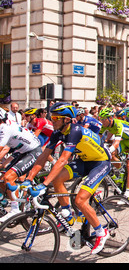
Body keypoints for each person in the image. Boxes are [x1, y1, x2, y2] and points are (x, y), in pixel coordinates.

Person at [22, 102, 111, 254]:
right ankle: (67, 215)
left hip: (100, 163)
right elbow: (44, 156)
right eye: (52, 117)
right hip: (84, 161)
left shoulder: (75, 130)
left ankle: (101, 232)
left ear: (67, 120)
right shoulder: (57, 132)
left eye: (56, 117)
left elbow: (63, 160)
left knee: (80, 200)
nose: (52, 120)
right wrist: (29, 179)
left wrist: (44, 184)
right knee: (58, 179)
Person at [0, 109, 42, 222]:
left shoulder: (4, 128)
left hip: (33, 151)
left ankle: (15, 209)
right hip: (21, 151)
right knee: (2, 176)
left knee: (8, 177)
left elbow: (2, 149)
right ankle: (14, 196)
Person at [98, 107, 129, 199]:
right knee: (111, 156)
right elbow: (98, 137)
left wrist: (107, 151)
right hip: (125, 140)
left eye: (104, 119)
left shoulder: (118, 124)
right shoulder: (105, 125)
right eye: (100, 119)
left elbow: (116, 143)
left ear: (110, 118)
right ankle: (121, 169)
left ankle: (128, 192)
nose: (102, 121)